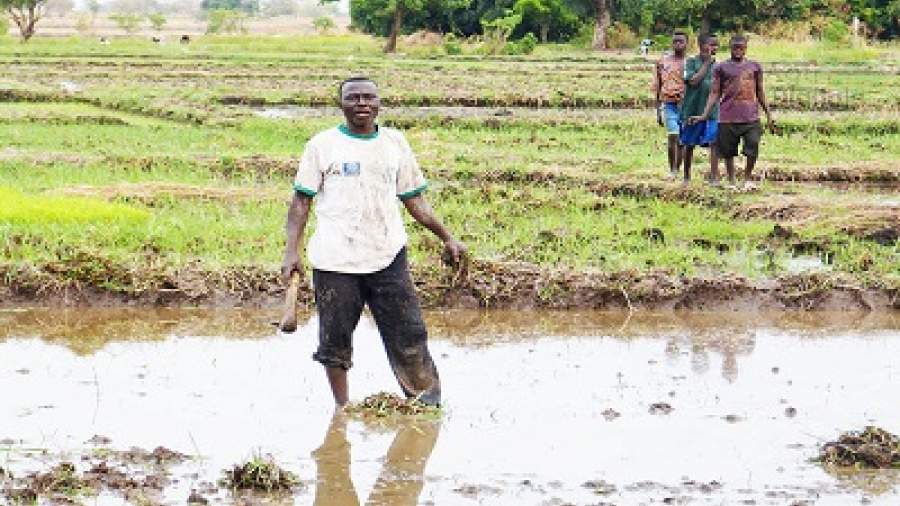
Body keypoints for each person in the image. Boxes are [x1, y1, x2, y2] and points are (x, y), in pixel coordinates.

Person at [281, 76, 467, 408]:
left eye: (369, 97)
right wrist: (291, 250)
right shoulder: (322, 146)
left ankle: (427, 406)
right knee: (334, 343)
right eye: (353, 98)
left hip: (387, 255)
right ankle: (343, 410)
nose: (362, 104)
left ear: (379, 103)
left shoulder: (395, 144)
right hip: (334, 260)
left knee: (409, 335)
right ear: (341, 104)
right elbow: (300, 203)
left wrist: (448, 237)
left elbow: (416, 202)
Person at [689, 34, 775, 189]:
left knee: (753, 146)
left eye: (741, 48)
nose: (738, 51)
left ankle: (747, 178)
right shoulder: (721, 68)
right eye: (735, 48)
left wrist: (769, 114)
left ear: (745, 49)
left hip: (751, 115)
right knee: (728, 152)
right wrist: (704, 114)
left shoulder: (754, 66)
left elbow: (760, 90)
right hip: (728, 116)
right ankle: (731, 181)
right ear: (730, 49)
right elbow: (715, 93)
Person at [679, 32, 720, 186]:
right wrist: (706, 64)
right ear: (702, 46)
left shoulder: (719, 66)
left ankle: (714, 177)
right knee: (689, 144)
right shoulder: (691, 63)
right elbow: (693, 81)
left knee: (714, 143)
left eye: (716, 45)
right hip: (692, 110)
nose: (714, 48)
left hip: (713, 111)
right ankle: (687, 177)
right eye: (711, 44)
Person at [651, 29, 688, 179]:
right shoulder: (662, 62)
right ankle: (672, 169)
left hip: (686, 106)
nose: (677, 44)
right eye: (675, 41)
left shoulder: (691, 63)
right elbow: (657, 85)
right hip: (669, 103)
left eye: (681, 41)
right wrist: (658, 110)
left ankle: (678, 168)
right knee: (673, 135)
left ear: (686, 44)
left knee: (682, 140)